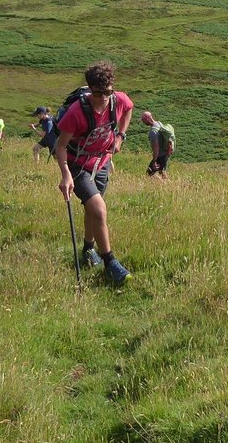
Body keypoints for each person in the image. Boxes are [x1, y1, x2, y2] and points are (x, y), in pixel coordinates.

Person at [54, 60, 134, 286]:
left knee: (92, 209)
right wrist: (66, 174)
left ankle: (88, 249)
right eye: (98, 93)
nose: (103, 98)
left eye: (107, 92)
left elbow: (129, 108)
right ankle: (110, 264)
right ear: (90, 89)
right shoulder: (76, 112)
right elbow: (60, 146)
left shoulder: (117, 100)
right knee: (99, 208)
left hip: (102, 163)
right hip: (77, 165)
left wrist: (120, 136)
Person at [141, 111, 176, 179]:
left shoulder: (153, 132)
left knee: (149, 173)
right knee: (162, 171)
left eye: (143, 120)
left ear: (147, 119)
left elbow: (156, 148)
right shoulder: (158, 123)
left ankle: (164, 185)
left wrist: (154, 160)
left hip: (161, 155)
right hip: (166, 153)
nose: (142, 122)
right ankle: (168, 185)